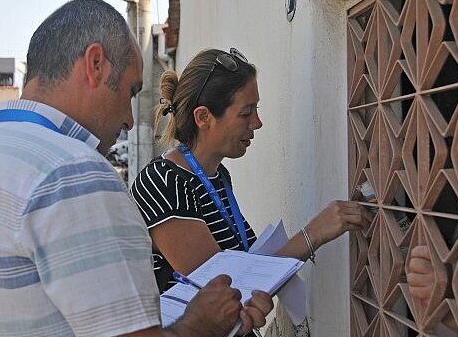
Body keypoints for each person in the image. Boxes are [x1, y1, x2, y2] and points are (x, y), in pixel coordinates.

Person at [0, 0, 272, 337]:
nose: (130, 119)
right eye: (131, 91)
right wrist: (198, 324)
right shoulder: (73, 172)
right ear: (95, 64)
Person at [130, 48, 372, 293]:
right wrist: (313, 234)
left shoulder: (219, 176)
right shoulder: (162, 182)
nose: (257, 123)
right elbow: (224, 291)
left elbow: (250, 270)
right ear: (203, 117)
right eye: (246, 113)